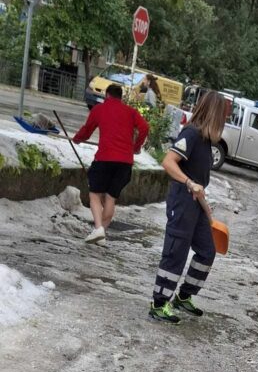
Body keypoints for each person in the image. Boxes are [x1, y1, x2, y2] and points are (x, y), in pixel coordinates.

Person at [148, 89, 229, 324]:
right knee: (176, 253)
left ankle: (183, 296)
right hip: (182, 201)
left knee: (207, 251)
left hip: (196, 204)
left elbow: (198, 178)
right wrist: (189, 183)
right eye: (222, 116)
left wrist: (206, 208)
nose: (224, 121)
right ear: (214, 114)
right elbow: (168, 162)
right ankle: (159, 303)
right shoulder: (192, 134)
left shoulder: (205, 141)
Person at [72, 83, 149, 245]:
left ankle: (98, 228)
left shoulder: (99, 109)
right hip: (125, 163)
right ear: (120, 97)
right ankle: (101, 235)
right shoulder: (131, 112)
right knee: (110, 198)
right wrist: (136, 147)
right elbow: (144, 127)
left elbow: (87, 130)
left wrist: (77, 139)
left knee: (94, 194)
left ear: (107, 95)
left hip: (105, 158)